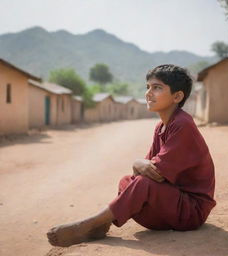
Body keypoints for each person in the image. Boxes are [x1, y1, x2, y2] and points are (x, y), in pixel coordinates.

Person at [47, 64, 216, 247]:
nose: (149, 93)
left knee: (141, 184)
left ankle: (91, 224)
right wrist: (139, 166)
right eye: (148, 87)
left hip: (192, 210)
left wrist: (138, 163)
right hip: (173, 203)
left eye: (157, 88)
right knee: (126, 182)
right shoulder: (161, 127)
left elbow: (155, 173)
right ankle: (101, 224)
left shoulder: (182, 124)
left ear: (177, 96)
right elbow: (143, 172)